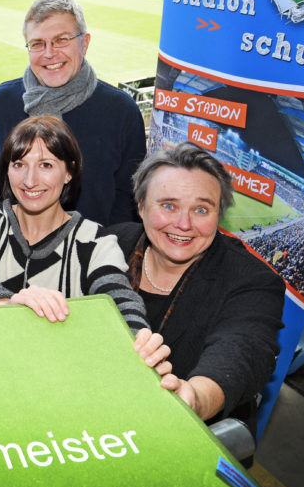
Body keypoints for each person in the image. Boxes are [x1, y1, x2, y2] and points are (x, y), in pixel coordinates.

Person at [107, 142, 285, 426]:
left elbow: (243, 350)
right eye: (168, 205)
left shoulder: (253, 281)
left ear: (219, 214)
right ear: (140, 207)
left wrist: (194, 397)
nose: (184, 224)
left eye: (201, 210)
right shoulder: (110, 243)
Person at [0, 115, 149, 332]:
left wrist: (140, 341)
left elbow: (122, 303)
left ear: (69, 172)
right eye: (19, 164)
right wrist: (9, 305)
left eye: (46, 165)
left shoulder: (96, 242)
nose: (30, 181)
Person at [0, 0, 145, 226]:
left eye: (61, 40)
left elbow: (129, 197)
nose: (49, 53)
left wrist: (108, 250)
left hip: (97, 254)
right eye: (37, 43)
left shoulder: (121, 111)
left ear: (84, 43)